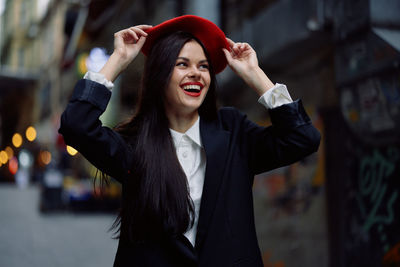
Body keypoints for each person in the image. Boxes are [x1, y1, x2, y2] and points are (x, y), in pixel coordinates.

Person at [59, 15, 320, 267]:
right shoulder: (134, 144)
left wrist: (255, 74)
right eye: (182, 64)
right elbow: (76, 125)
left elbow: (302, 138)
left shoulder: (233, 131)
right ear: (160, 75)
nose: (196, 73)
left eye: (203, 66)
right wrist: (118, 59)